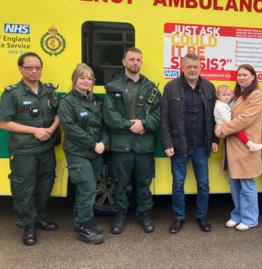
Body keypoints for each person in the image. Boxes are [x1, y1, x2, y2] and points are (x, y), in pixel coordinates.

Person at [0, 52, 60, 246]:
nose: (34, 71)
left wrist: (50, 129)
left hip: (46, 148)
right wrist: (35, 130)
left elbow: (60, 114)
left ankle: (40, 218)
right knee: (24, 189)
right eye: (29, 67)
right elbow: (4, 123)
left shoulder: (49, 91)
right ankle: (29, 226)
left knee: (45, 185)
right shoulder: (12, 93)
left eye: (38, 67)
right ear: (20, 69)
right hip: (24, 150)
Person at [103, 48, 162, 235]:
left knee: (144, 184)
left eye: (138, 59)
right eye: (131, 59)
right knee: (120, 183)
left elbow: (159, 114)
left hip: (144, 146)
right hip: (121, 145)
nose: (135, 62)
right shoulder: (112, 87)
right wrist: (131, 125)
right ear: (123, 61)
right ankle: (120, 215)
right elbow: (110, 116)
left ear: (141, 62)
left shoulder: (151, 87)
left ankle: (145, 215)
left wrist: (144, 123)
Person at [160, 54, 218, 233]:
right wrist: (168, 142)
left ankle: (202, 217)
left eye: (195, 67)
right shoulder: (171, 88)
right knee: (178, 184)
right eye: (189, 67)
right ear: (182, 68)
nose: (192, 70)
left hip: (201, 145)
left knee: (203, 184)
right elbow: (164, 119)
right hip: (179, 146)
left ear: (200, 68)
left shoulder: (209, 87)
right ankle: (178, 217)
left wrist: (215, 139)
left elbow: (215, 117)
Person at [58, 63, 108, 244]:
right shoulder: (67, 102)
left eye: (90, 78)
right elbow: (70, 129)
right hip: (78, 152)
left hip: (95, 151)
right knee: (87, 189)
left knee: (87, 190)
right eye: (82, 77)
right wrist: (93, 143)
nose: (86, 81)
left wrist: (103, 142)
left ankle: (84, 221)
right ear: (74, 79)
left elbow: (103, 125)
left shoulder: (95, 101)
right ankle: (82, 227)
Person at [215, 64, 262, 231]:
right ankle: (237, 215)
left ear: (252, 77)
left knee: (247, 182)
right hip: (232, 145)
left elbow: (245, 119)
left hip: (245, 146)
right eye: (239, 75)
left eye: (245, 75)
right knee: (234, 182)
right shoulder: (236, 95)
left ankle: (250, 219)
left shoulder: (256, 96)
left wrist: (222, 129)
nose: (242, 78)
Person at [214, 85, 262, 152]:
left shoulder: (224, 104)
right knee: (239, 132)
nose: (226, 97)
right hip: (224, 125)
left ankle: (251, 145)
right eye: (224, 95)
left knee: (239, 132)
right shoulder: (221, 106)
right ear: (218, 96)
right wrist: (232, 121)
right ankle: (250, 145)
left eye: (228, 95)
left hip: (224, 125)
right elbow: (225, 117)